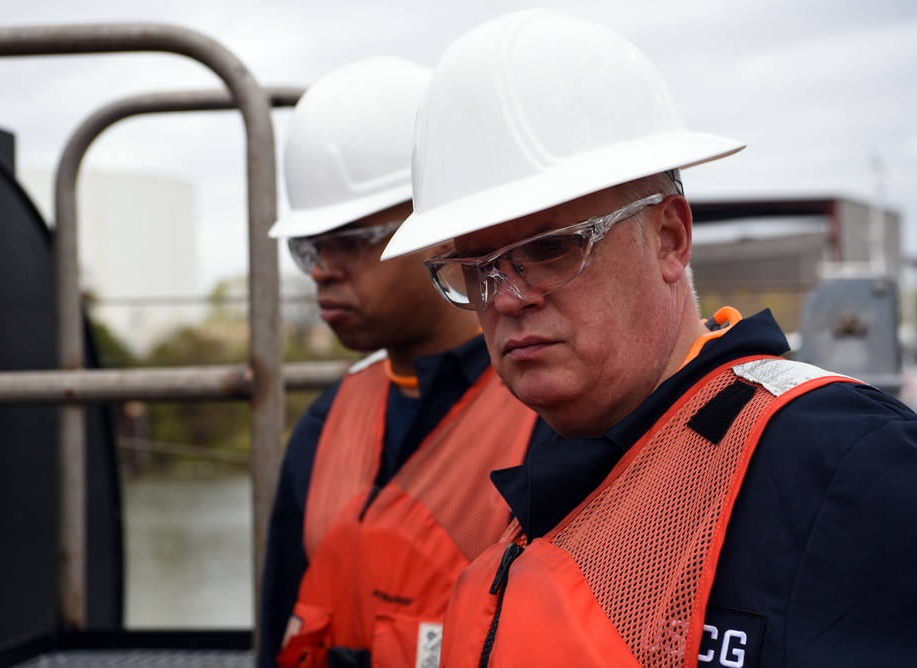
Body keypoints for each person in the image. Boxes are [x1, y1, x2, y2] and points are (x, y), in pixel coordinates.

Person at [382, 10, 917, 667]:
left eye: (551, 248)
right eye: (476, 269)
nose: (509, 298)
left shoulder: (848, 464)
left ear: (669, 238)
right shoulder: (550, 492)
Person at [259, 56, 554, 668]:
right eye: (307, 247)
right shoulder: (322, 428)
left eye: (348, 241)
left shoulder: (553, 415)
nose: (320, 269)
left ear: (440, 230)